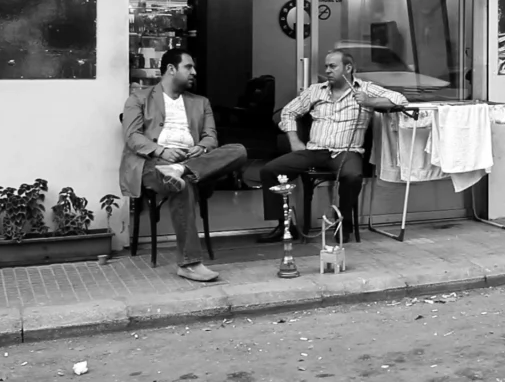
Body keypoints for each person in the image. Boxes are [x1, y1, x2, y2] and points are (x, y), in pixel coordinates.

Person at [119, 49, 247, 282]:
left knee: (239, 150)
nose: (194, 72)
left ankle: (181, 170)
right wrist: (161, 151)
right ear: (171, 69)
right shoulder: (139, 99)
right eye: (189, 67)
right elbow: (132, 136)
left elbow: (210, 137)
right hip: (154, 163)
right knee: (182, 184)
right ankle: (189, 264)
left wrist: (202, 148)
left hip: (192, 160)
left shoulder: (201, 102)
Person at [258, 49, 408, 244]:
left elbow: (400, 100)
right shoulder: (316, 90)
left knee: (353, 176)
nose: (327, 70)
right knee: (270, 170)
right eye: (326, 66)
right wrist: (294, 140)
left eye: (332, 66)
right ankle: (285, 226)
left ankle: (343, 225)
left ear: (348, 68)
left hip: (347, 151)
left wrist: (369, 101)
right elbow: (288, 112)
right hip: (314, 150)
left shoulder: (365, 89)